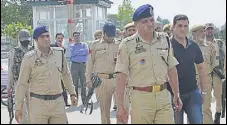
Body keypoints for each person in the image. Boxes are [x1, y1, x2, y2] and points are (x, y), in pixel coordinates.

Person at [115, 4, 182, 124]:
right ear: (136, 25)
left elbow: (171, 68)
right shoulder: (127, 45)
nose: (150, 24)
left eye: (152, 20)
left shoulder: (164, 39)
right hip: (141, 98)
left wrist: (176, 94)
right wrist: (120, 106)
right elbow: (121, 76)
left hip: (163, 96)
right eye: (145, 21)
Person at [15, 25, 78, 124]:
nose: (46, 39)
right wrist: (18, 107)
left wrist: (72, 94)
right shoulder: (29, 58)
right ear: (36, 40)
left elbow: (66, 75)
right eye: (42, 37)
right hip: (38, 104)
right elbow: (22, 84)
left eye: (47, 36)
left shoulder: (59, 54)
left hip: (58, 103)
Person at [169, 14, 207, 124]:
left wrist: (203, 92)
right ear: (173, 27)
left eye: (185, 26)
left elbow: (201, 69)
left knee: (197, 121)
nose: (183, 29)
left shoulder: (193, 46)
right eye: (179, 26)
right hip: (173, 95)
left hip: (192, 93)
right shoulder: (168, 46)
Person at [85, 22, 119, 124]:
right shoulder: (94, 45)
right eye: (109, 35)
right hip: (102, 80)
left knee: (122, 109)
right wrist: (88, 79)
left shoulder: (120, 44)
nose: (110, 38)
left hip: (117, 79)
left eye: (112, 35)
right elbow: (90, 63)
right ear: (103, 33)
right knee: (104, 111)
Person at [191, 24, 217, 124]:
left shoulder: (210, 46)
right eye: (200, 31)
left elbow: (214, 64)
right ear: (194, 33)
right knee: (192, 110)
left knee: (206, 108)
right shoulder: (187, 46)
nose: (203, 33)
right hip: (192, 82)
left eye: (203, 31)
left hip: (206, 81)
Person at [7, 29, 33, 124]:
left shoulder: (33, 50)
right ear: (19, 39)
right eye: (23, 39)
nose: (25, 41)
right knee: (20, 107)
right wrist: (8, 86)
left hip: (32, 83)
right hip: (18, 83)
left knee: (32, 107)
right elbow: (10, 70)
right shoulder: (14, 52)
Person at [205, 23, 226, 124]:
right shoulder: (202, 43)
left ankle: (218, 113)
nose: (210, 31)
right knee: (207, 96)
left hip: (217, 73)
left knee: (218, 95)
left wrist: (225, 71)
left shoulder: (220, 43)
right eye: (208, 29)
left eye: (211, 29)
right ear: (205, 31)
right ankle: (208, 118)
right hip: (206, 73)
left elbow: (225, 57)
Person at [50, 33, 70, 106]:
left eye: (61, 38)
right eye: (58, 38)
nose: (60, 40)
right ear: (56, 39)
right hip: (52, 70)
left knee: (63, 86)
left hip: (60, 70)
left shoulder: (63, 48)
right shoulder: (51, 46)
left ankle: (65, 101)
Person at [69, 31, 89, 105]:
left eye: (78, 36)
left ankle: (84, 100)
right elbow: (72, 53)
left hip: (83, 65)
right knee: (75, 83)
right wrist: (80, 52)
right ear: (73, 37)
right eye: (75, 36)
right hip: (74, 65)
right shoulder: (71, 46)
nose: (77, 37)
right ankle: (75, 100)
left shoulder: (84, 44)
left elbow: (86, 52)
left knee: (84, 83)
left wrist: (77, 52)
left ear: (80, 37)